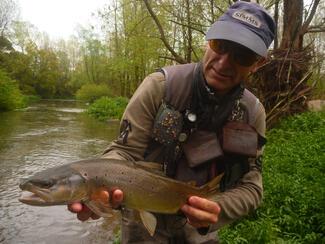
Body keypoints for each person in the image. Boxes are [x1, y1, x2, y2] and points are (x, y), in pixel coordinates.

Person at [68, 1, 276, 243]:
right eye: (220, 46)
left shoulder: (252, 112)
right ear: (208, 41)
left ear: (259, 62)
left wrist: (218, 208)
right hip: (141, 223)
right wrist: (99, 180)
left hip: (200, 231)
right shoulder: (159, 87)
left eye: (243, 55)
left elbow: (251, 187)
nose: (223, 63)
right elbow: (123, 151)